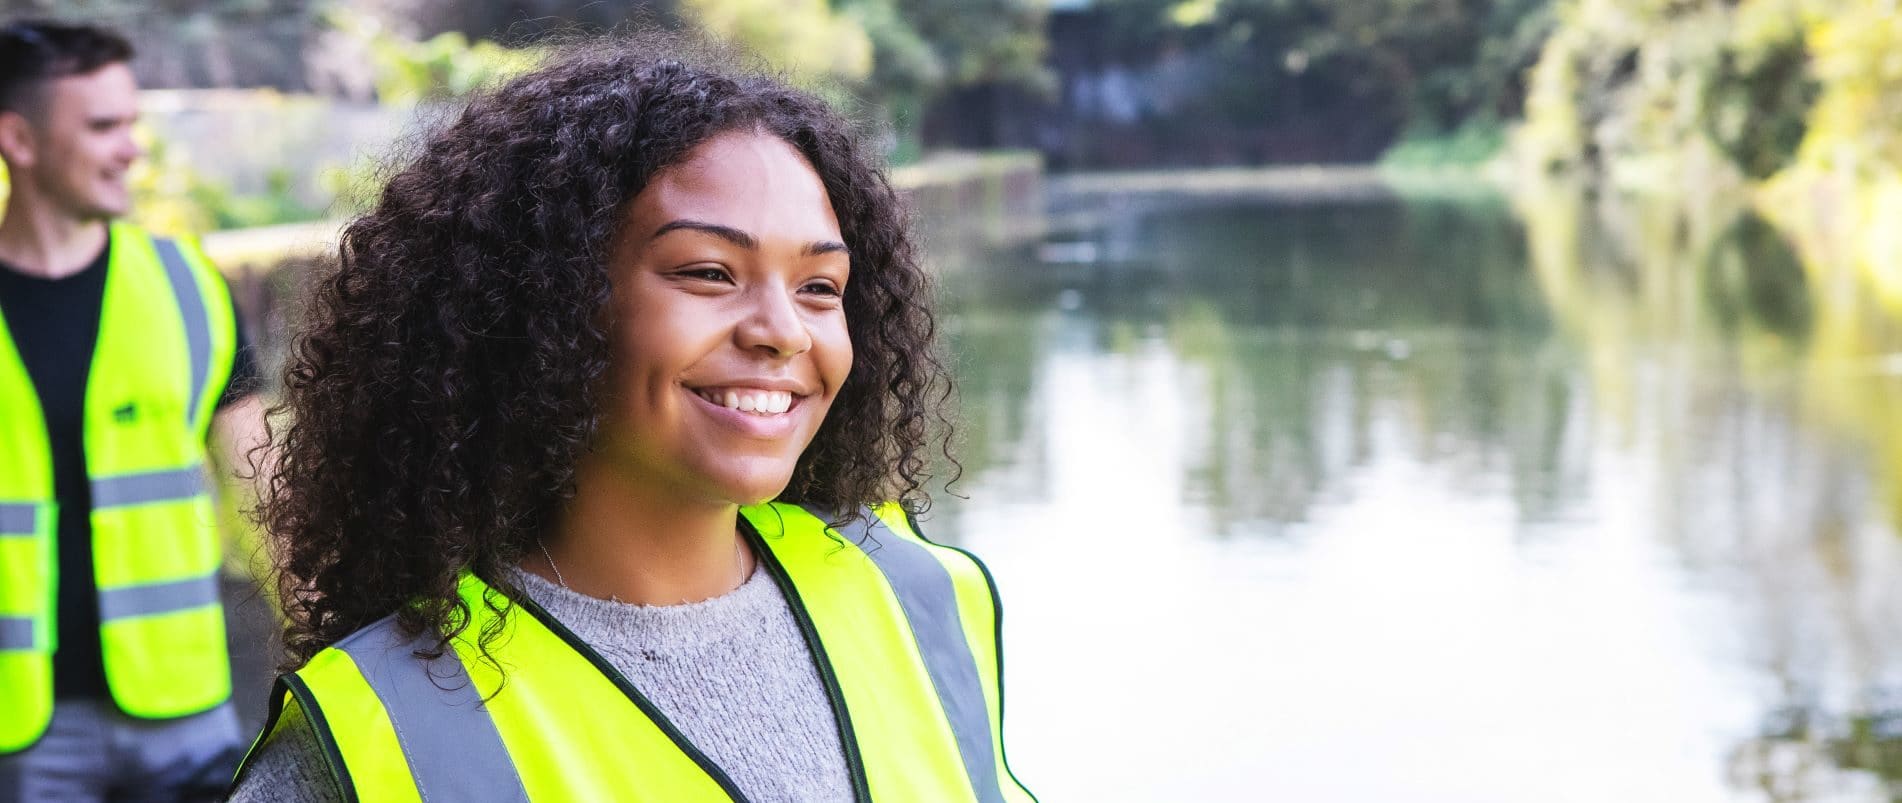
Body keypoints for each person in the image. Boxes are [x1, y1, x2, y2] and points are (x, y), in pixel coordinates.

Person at [228, 36, 1035, 802]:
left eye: (820, 286)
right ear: (547, 305)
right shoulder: (385, 732)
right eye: (710, 272)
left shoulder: (918, 595)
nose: (784, 329)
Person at [0, 19, 267, 803]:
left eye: (133, 124)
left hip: (185, 718)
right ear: (18, 138)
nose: (131, 148)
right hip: (21, 736)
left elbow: (266, 493)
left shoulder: (190, 289)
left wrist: (329, 640)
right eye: (103, 126)